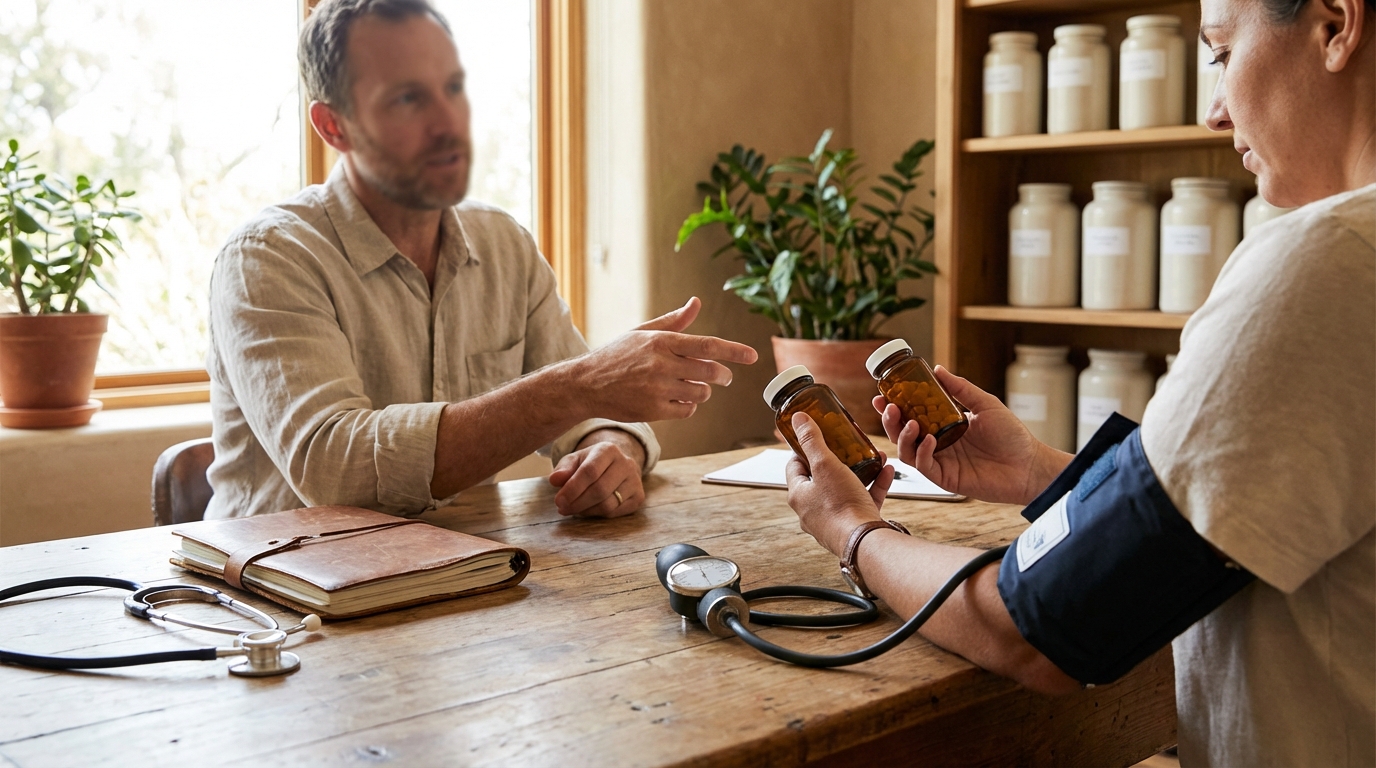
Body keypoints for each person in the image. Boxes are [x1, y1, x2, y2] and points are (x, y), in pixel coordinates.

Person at [783, 0, 1374, 764]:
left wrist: (851, 530)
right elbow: (1243, 518)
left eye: (1222, 53)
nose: (1214, 112)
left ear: (1335, 25)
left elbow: (1038, 628)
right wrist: (1040, 471)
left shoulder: (1327, 264)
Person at [206, 0, 757, 520]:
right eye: (407, 99)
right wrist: (578, 385)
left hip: (470, 576)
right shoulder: (266, 259)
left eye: (453, 88)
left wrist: (611, 449)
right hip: (279, 584)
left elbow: (593, 412)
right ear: (334, 127)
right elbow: (336, 469)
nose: (448, 121)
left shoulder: (503, 244)